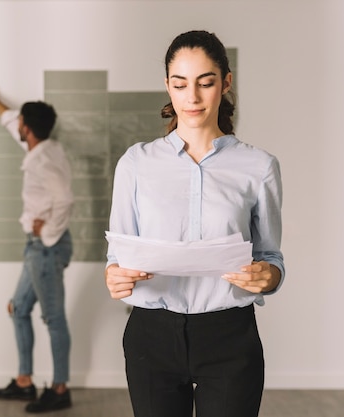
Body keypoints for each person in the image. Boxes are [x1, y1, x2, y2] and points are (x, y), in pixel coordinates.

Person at [104, 30, 285, 417]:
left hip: (230, 336)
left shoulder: (259, 167)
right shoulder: (135, 164)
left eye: (206, 82)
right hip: (151, 336)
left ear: (226, 83)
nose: (192, 97)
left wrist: (268, 276)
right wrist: (113, 275)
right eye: (180, 84)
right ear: (167, 86)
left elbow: (271, 257)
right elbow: (117, 257)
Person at [0, 79, 75, 413]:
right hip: (39, 249)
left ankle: (60, 388)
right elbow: (10, 120)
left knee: (54, 318)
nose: (15, 123)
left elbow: (65, 200)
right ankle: (23, 383)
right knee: (19, 309)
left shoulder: (42, 160)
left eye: (20, 122)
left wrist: (46, 231)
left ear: (28, 128)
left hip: (45, 249)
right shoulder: (44, 148)